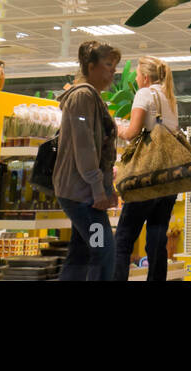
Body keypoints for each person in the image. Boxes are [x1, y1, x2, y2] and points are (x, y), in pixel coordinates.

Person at [54, 40, 120, 281]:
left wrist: (106, 188)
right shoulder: (83, 96)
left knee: (81, 253)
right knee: (103, 251)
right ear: (90, 66)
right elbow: (85, 148)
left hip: (81, 193)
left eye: (115, 66)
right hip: (82, 196)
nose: (112, 71)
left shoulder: (91, 97)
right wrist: (97, 190)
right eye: (108, 65)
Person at [112, 55, 181, 281]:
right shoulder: (169, 97)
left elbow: (132, 132)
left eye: (139, 75)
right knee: (157, 241)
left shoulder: (145, 93)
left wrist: (116, 128)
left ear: (146, 77)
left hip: (146, 177)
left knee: (123, 238)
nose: (138, 79)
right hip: (169, 179)